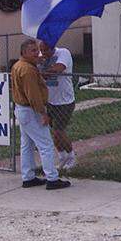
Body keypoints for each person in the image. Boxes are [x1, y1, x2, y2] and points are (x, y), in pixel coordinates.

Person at [9, 40, 70, 190]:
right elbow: (33, 96)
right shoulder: (28, 71)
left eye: (37, 50)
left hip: (22, 109)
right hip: (31, 111)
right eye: (32, 51)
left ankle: (28, 177)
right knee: (46, 145)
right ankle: (52, 178)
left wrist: (37, 62)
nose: (37, 53)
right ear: (23, 53)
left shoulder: (18, 66)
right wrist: (43, 113)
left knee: (27, 145)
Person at [38, 40, 77, 172]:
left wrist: (42, 72)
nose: (43, 53)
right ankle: (62, 157)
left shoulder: (63, 53)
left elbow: (58, 69)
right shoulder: (40, 57)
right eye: (41, 50)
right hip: (50, 101)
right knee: (53, 133)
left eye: (46, 50)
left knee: (58, 131)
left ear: (52, 47)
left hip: (64, 101)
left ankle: (71, 156)